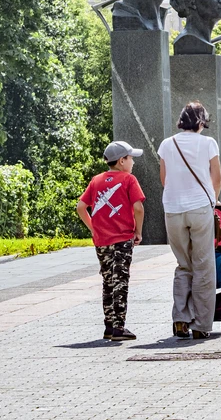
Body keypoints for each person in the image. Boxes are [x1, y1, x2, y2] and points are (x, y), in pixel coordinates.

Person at [158, 101, 221, 339]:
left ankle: (180, 320)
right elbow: (216, 178)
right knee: (204, 266)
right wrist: (213, 201)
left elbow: (164, 179)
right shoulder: (208, 143)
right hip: (200, 208)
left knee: (183, 264)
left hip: (173, 209)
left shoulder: (167, 144)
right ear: (201, 121)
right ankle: (201, 325)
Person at [76, 141, 146, 341]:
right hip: (123, 239)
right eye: (131, 158)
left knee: (108, 281)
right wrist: (138, 231)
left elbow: (81, 207)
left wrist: (93, 228)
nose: (133, 162)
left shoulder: (96, 180)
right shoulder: (128, 179)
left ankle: (108, 325)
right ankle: (118, 327)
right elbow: (139, 208)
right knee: (120, 281)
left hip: (102, 241)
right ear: (122, 160)